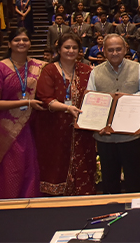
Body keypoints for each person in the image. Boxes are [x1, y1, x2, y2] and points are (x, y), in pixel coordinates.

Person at [86, 34, 140, 194]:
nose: (115, 53)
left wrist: (124, 100)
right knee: (109, 179)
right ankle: (111, 209)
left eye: (118, 49)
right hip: (105, 136)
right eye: (110, 50)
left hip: (131, 134)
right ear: (105, 52)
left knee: (133, 178)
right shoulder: (95, 72)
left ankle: (136, 214)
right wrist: (96, 124)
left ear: (125, 49)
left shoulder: (138, 68)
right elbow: (91, 100)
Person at [0, 28, 46, 198]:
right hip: (6, 129)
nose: (21, 43)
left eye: (25, 39)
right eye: (17, 40)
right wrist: (27, 102)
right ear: (9, 44)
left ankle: (30, 207)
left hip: (32, 125)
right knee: (12, 169)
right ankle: (8, 208)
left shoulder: (39, 66)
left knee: (32, 167)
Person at [35, 33, 96, 195]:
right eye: (67, 47)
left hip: (83, 128)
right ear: (59, 49)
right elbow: (45, 98)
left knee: (84, 165)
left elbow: (95, 96)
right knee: (56, 164)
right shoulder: (49, 70)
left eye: (74, 47)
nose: (71, 51)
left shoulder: (87, 70)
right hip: (55, 127)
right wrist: (66, 108)